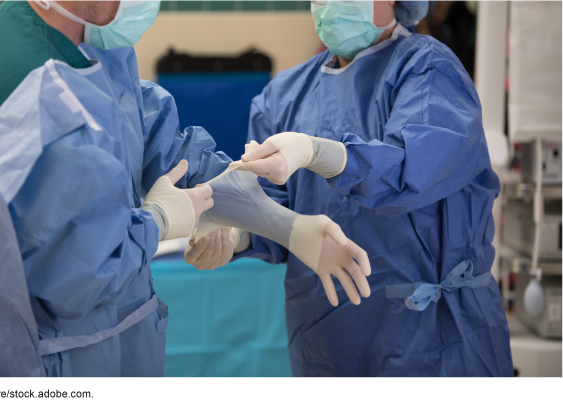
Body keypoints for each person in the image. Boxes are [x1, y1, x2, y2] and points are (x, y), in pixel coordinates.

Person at [186, 0, 513, 378]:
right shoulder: (283, 95)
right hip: (328, 342)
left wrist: (317, 152)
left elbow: (411, 171)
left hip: (432, 340)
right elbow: (274, 211)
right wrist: (236, 235)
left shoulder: (428, 69)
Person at [0, 0, 224, 378]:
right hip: (28, 356)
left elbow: (133, 123)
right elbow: (82, 272)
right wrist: (158, 220)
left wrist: (236, 181)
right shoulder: (31, 82)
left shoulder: (79, 40)